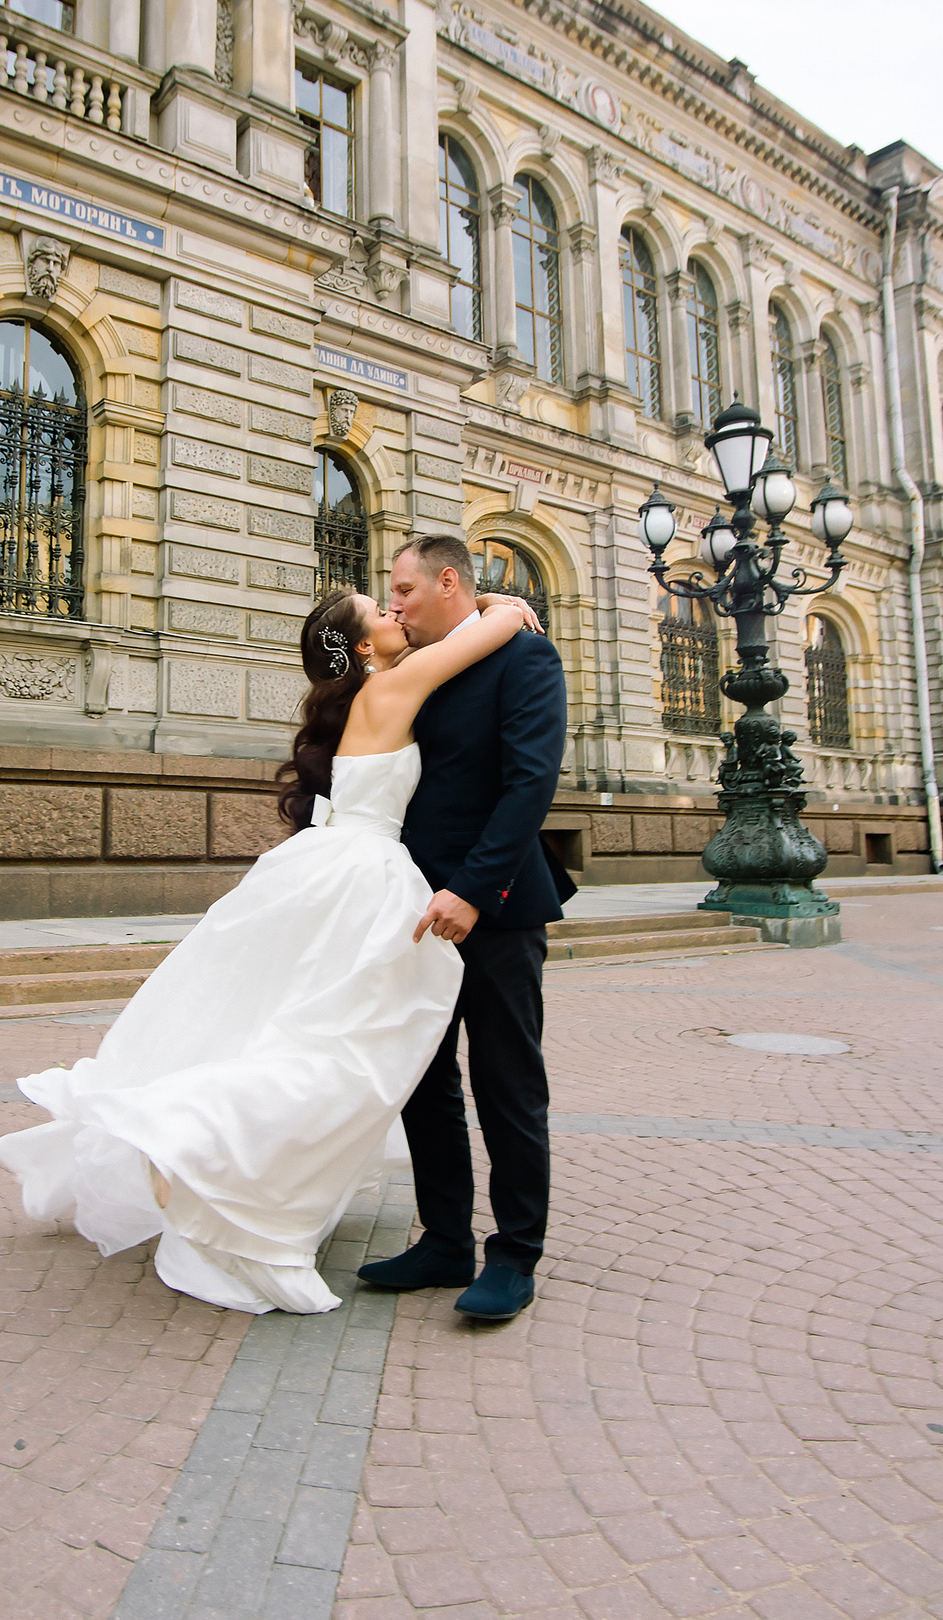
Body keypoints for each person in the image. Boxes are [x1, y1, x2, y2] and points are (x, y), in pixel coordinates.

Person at [0, 581, 545, 1315]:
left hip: (352, 876)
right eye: (381, 610)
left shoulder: (363, 696)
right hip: (373, 880)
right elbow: (474, 635)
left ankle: (211, 1143)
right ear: (358, 649)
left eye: (398, 596)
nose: (394, 610)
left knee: (332, 1036)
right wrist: (503, 605)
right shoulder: (393, 686)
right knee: (353, 1050)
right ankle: (200, 1135)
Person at [352, 536, 569, 1320]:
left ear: (450, 581)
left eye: (404, 587)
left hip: (499, 909)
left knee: (506, 1080)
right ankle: (444, 1239)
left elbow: (529, 784)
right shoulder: (422, 670)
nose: (395, 601)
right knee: (426, 1079)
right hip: (415, 909)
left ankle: (514, 1255)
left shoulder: (526, 660)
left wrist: (474, 889)